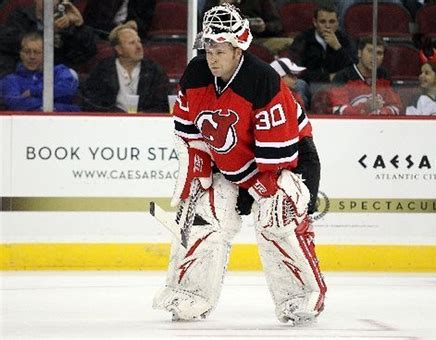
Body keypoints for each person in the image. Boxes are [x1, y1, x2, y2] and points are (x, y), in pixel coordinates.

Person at [153, 4, 327, 326]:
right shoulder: (195, 75)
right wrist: (197, 180)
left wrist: (254, 194)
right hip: (233, 165)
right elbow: (192, 138)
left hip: (288, 162)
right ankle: (190, 295)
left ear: (237, 48)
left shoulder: (262, 81)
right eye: (208, 49)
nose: (212, 58)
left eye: (219, 50)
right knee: (204, 216)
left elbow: (277, 157)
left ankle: (301, 298)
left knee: (276, 218)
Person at [82, 20, 169, 113]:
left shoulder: (154, 71)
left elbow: (163, 104)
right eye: (132, 43)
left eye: (139, 41)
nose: (139, 46)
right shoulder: (103, 70)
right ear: (119, 49)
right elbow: (91, 103)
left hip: (145, 123)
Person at [0, 0, 97, 77]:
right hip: (19, 73)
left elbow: (87, 53)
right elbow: (9, 41)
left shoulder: (65, 22)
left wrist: (79, 26)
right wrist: (49, 32)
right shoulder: (20, 15)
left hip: (52, 77)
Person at [1, 31, 80, 112]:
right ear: (21, 54)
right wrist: (57, 107)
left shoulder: (59, 72)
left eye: (37, 52)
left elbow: (68, 90)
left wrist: (34, 92)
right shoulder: (10, 80)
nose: (32, 56)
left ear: (46, 54)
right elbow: (16, 104)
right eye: (27, 52)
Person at [288, 5, 357, 94]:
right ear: (315, 22)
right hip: (311, 85)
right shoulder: (302, 39)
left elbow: (354, 67)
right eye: (322, 22)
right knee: (299, 85)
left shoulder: (345, 39)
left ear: (338, 23)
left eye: (332, 22)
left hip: (338, 85)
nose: (327, 26)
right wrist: (326, 77)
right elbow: (296, 70)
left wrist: (338, 48)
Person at [327, 36, 402, 115]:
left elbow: (397, 107)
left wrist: (380, 112)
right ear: (359, 53)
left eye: (379, 53)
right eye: (370, 51)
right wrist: (365, 107)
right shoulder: (343, 76)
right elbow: (338, 110)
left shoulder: (384, 75)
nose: (374, 57)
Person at [82, 0, 156, 40]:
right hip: (101, 32)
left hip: (128, 33)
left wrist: (135, 23)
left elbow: (145, 22)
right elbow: (89, 20)